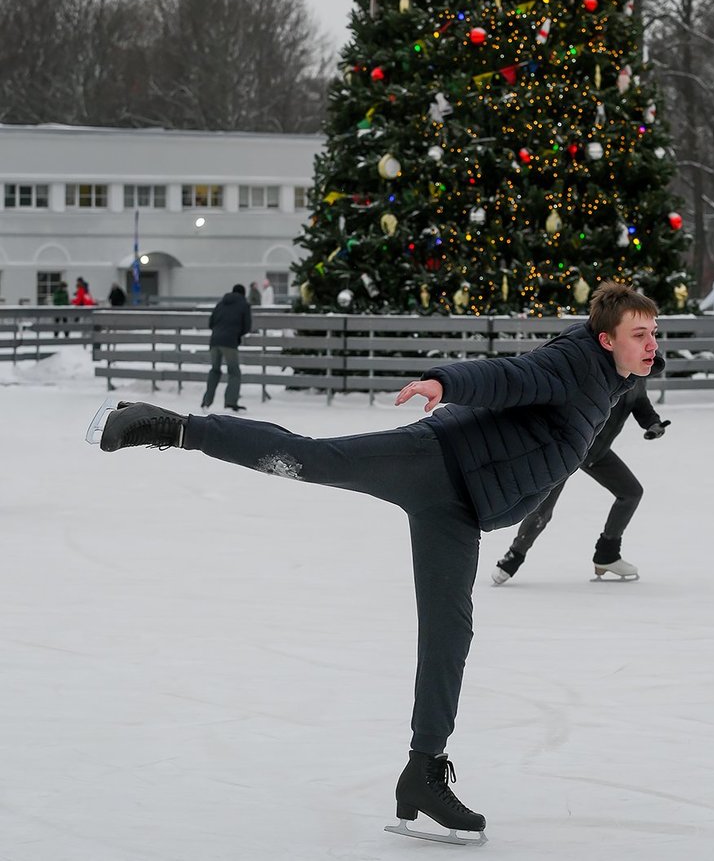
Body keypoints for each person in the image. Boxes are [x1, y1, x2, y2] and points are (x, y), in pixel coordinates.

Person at [97, 281, 661, 842]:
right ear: (607, 339)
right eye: (640, 334)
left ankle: (422, 773)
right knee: (311, 458)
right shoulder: (574, 363)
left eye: (653, 332)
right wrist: (447, 381)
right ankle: (169, 426)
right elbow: (510, 375)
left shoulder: (609, 382)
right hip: (435, 461)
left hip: (463, 507)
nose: (651, 343)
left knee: (449, 634)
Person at [492, 375, 669, 585]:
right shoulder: (605, 372)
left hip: (597, 452)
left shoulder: (638, 378)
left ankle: (607, 554)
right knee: (543, 508)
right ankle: (513, 557)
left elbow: (640, 403)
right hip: (569, 448)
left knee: (630, 492)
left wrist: (653, 423)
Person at [201, 283, 252, 412]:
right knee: (234, 372)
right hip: (230, 342)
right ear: (243, 294)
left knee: (215, 370)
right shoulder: (244, 305)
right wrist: (237, 334)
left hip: (214, 341)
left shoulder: (220, 304)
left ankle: (206, 402)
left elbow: (211, 322)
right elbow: (247, 326)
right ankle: (230, 402)